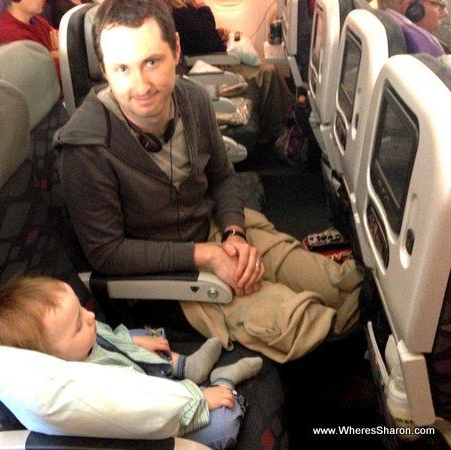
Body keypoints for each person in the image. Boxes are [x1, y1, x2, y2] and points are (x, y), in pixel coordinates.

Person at [55, 0, 364, 363]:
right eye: (122, 69)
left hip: (217, 230)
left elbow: (222, 176)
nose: (140, 86)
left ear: (176, 51)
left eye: (151, 62)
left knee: (344, 285)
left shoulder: (192, 100)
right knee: (306, 321)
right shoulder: (86, 147)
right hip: (168, 278)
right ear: (105, 72)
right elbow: (107, 253)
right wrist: (206, 256)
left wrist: (234, 233)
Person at [0, 276, 263, 449]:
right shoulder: (91, 387)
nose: (90, 316)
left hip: (140, 372)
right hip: (158, 410)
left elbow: (109, 338)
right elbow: (152, 408)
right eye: (77, 325)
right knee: (225, 425)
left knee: (136, 334)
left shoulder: (82, 337)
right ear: (52, 360)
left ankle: (188, 367)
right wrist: (201, 398)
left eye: (82, 309)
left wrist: (133, 342)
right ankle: (223, 382)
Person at [169, 0, 290, 143]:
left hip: (216, 57)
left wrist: (219, 33)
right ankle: (280, 131)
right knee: (268, 72)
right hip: (212, 63)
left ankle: (282, 124)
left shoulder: (184, 7)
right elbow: (205, 38)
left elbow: (205, 35)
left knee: (268, 70)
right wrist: (204, 8)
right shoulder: (180, 12)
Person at [0, 0, 61, 80]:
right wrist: (57, 53)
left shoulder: (36, 21)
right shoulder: (9, 36)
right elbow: (49, 75)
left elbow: (64, 41)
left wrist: (54, 54)